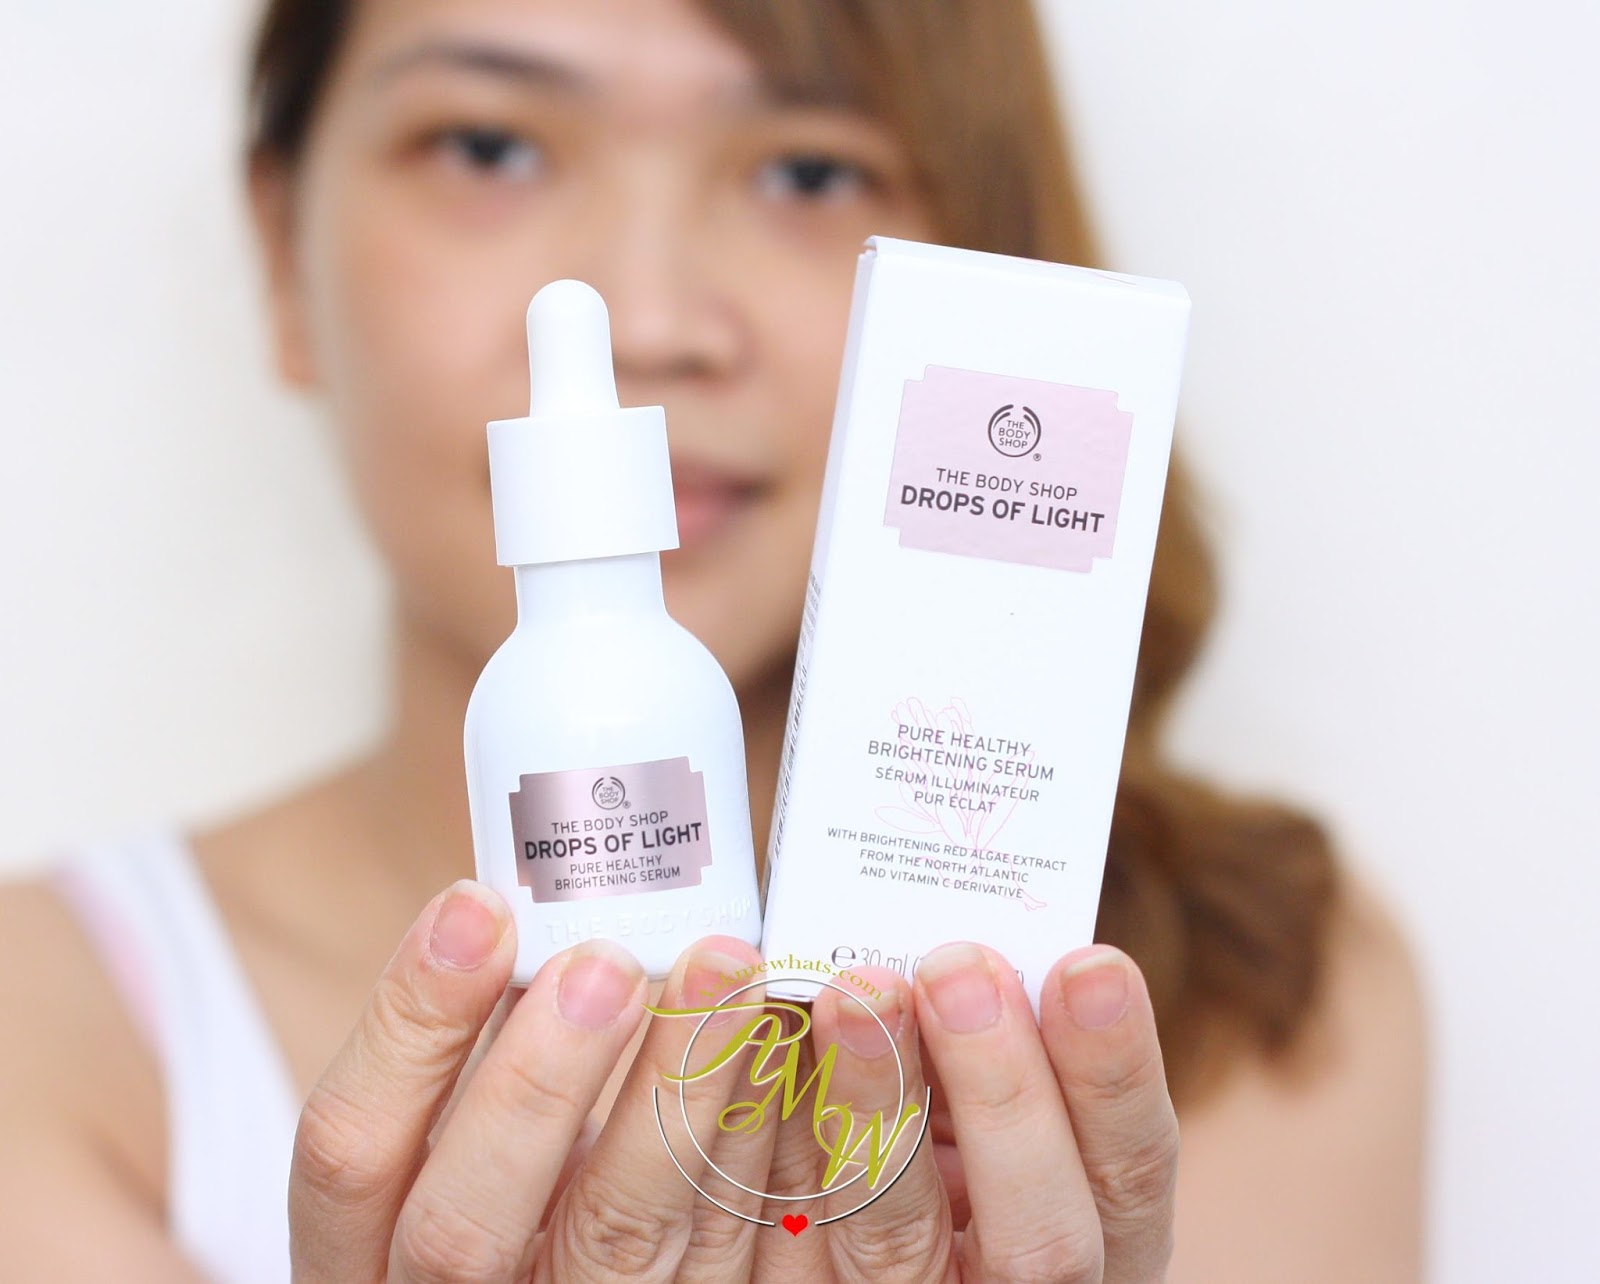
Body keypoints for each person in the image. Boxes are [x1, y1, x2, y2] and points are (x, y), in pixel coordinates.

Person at [0, 0, 1428, 1279]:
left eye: (808, 171)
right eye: (489, 146)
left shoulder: (1267, 1002)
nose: (652, 320)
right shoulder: (47, 1032)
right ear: (280, 255)